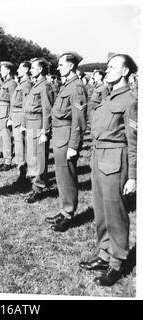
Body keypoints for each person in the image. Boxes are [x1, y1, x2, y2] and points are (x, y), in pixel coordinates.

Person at [79, 54, 137, 287]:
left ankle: (116, 263)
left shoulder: (131, 101)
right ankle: (104, 254)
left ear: (125, 72)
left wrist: (133, 176)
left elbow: (134, 143)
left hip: (116, 159)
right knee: (101, 211)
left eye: (112, 67)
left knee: (116, 214)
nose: (107, 70)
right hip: (99, 157)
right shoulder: (108, 97)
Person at [45, 51, 87, 232]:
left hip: (67, 139)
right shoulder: (67, 85)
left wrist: (73, 146)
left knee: (68, 178)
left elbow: (79, 120)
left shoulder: (77, 87)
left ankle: (68, 214)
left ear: (71, 66)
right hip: (59, 137)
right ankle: (63, 210)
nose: (58, 67)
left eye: (61, 65)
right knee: (61, 178)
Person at [21, 58, 54, 203]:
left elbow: (47, 111)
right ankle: (34, 185)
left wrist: (45, 131)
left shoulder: (45, 86)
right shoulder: (36, 85)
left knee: (39, 158)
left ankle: (38, 187)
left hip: (38, 125)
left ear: (40, 70)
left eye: (33, 68)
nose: (30, 70)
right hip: (30, 124)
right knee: (32, 157)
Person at [9, 61, 32, 185]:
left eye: (20, 68)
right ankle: (21, 174)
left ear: (26, 70)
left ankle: (22, 176)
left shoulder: (26, 85)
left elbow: (26, 105)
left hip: (20, 117)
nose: (17, 70)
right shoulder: (21, 84)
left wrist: (23, 123)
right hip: (16, 116)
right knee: (18, 147)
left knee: (20, 148)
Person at [0, 61, 17, 171]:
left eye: (2, 69)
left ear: (8, 71)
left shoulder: (12, 83)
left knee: (7, 139)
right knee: (2, 139)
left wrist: (11, 118)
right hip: (0, 113)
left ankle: (8, 161)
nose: (0, 71)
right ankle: (5, 159)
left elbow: (14, 102)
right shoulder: (4, 83)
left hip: (6, 113)